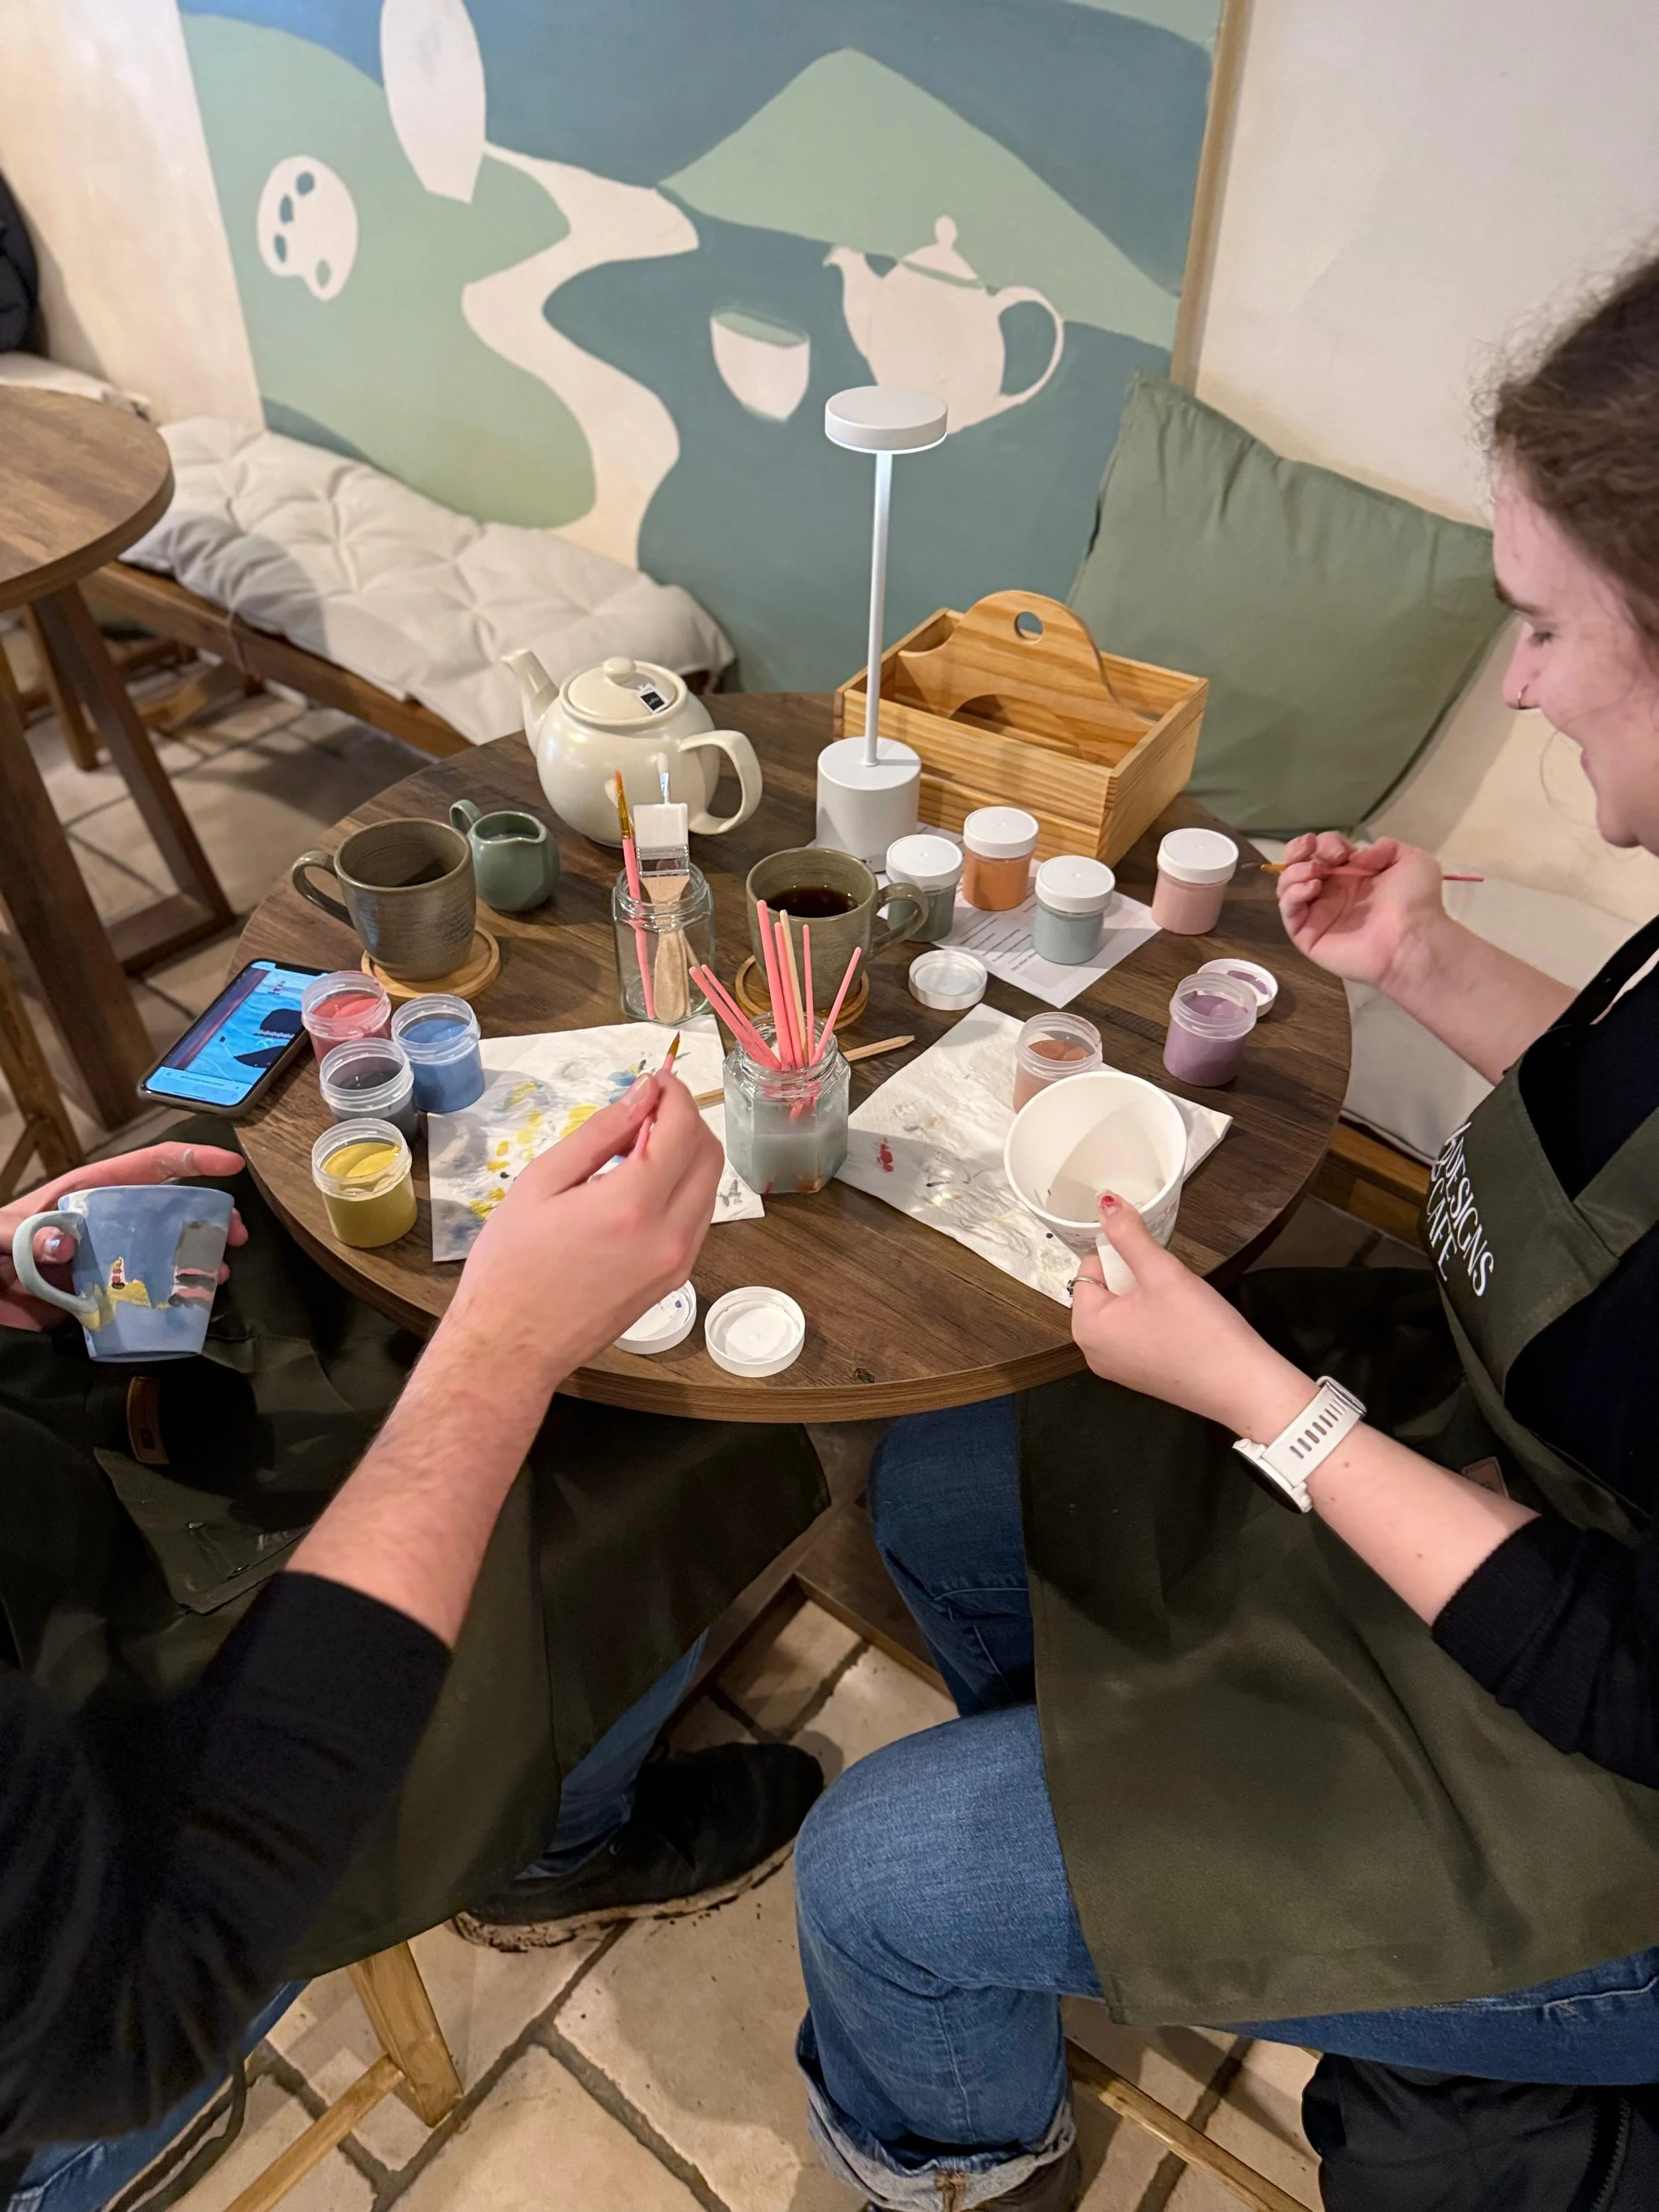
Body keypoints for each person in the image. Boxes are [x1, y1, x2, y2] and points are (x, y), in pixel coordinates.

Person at [792, 252, 1659, 2212]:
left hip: (1601, 1811)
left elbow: (1628, 1681)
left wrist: (1264, 1404)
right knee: (948, 1465)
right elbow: (1628, 1160)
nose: (1514, 683)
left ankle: (978, 2137)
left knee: (876, 1880)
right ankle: (1118, 1813)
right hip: (1501, 1483)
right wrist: (1426, 960)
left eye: (1544, 626)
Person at [0, 1067, 817, 2162]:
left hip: (50, 1505)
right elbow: (120, 2017)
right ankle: (566, 1852)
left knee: (241, 1183)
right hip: (113, 1845)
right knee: (641, 1490)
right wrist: (497, 1355)